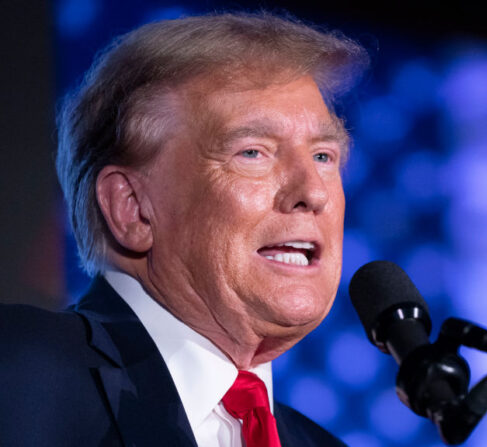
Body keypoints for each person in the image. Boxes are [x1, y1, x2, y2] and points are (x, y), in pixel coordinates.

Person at [0, 11, 368, 447]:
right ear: (132, 209)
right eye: (253, 152)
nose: (313, 192)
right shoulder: (18, 373)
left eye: (324, 157)